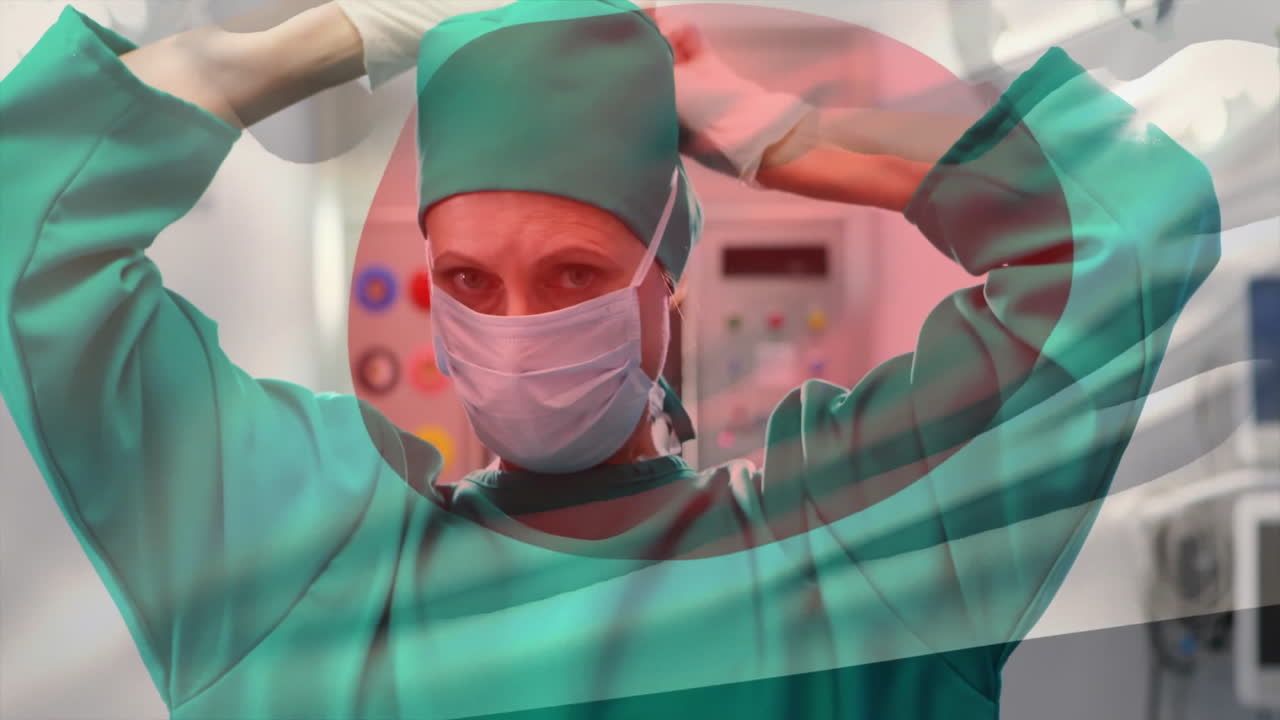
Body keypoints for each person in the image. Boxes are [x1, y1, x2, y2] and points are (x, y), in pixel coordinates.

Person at [0, 2, 1223, 719]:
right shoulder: (302, 576)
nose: (517, 325)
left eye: (576, 279)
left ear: (662, 290)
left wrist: (794, 136)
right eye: (469, 284)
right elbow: (22, 259)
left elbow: (1130, 228)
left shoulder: (857, 553)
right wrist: (280, 50)